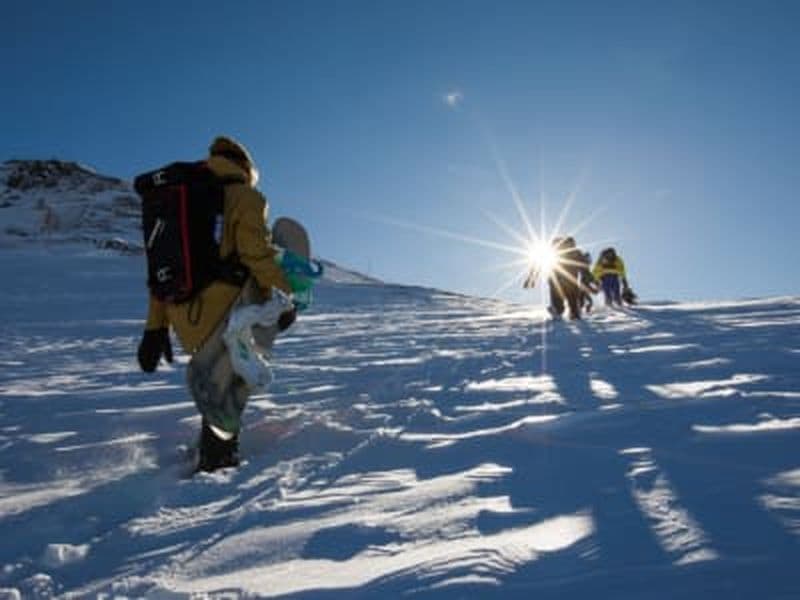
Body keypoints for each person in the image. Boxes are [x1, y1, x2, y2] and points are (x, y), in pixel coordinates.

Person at [136, 136, 295, 472]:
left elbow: (161, 271)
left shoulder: (175, 199)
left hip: (184, 316)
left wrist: (155, 329)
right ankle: (217, 461)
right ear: (247, 168)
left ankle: (211, 449)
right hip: (224, 308)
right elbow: (254, 252)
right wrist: (285, 295)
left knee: (218, 380)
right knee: (231, 384)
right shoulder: (245, 195)